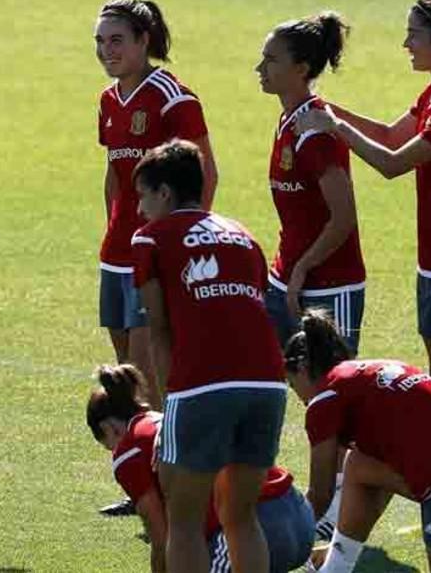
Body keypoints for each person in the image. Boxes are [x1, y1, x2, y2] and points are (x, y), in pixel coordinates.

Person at [293, 0, 431, 442]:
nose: (405, 44)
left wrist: (335, 127)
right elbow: (392, 135)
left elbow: (392, 163)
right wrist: (322, 108)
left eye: (414, 35)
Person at [130, 140, 287, 573]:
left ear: (164, 193)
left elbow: (160, 331)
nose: (140, 209)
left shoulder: (150, 239)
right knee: (240, 515)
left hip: (203, 385)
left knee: (185, 522)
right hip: (267, 385)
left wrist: (167, 414)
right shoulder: (243, 235)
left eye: (143, 196)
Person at [284, 310, 431, 573]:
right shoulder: (367, 372)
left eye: (292, 383)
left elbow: (320, 495)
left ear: (302, 368)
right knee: (359, 465)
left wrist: (284, 542)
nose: (298, 396)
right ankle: (335, 567)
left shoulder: (324, 400)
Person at [94, 0, 219, 413]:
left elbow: (205, 174)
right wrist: (112, 226)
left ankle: (170, 460)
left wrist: (185, 241)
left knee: (147, 367)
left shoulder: (172, 98)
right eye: (100, 41)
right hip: (117, 253)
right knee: (125, 378)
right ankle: (147, 455)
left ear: (143, 41)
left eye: (117, 40)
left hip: (158, 252)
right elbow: (114, 173)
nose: (107, 50)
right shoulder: (108, 101)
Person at [86, 364, 314, 573]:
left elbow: (161, 537)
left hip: (257, 527)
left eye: (107, 445)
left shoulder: (129, 450)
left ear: (108, 427)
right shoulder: (168, 418)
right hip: (300, 517)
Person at [255, 11, 366, 351]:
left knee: (333, 388)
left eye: (271, 60)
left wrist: (303, 267)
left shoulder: (315, 132)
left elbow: (343, 217)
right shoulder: (290, 120)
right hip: (287, 279)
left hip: (328, 286)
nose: (259, 68)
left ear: (301, 69)